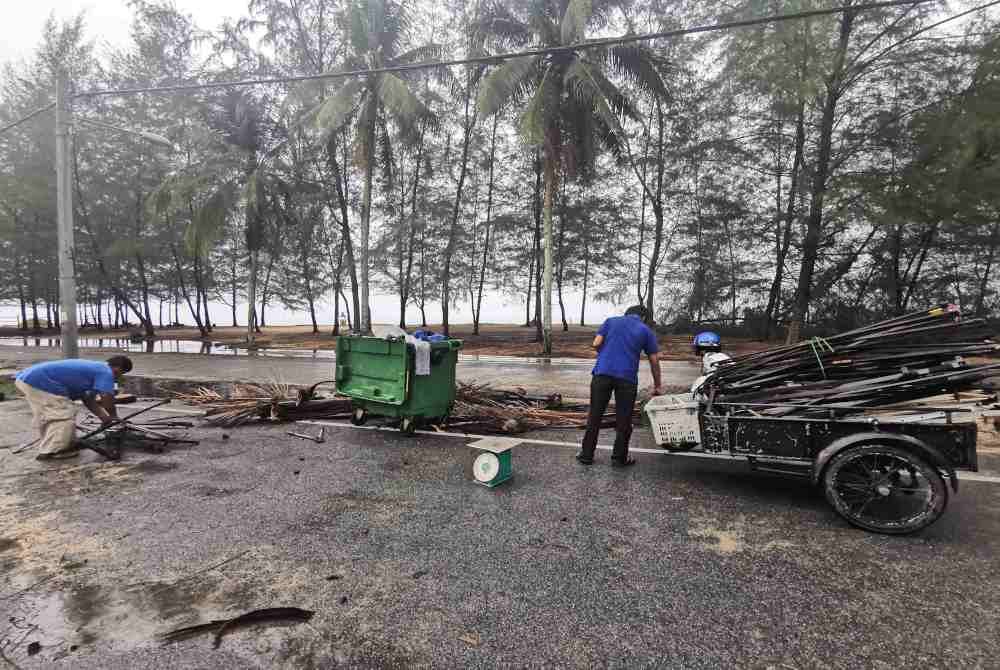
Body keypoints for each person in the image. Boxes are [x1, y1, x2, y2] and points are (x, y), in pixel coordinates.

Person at [578, 306, 662, 467]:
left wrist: (606, 354)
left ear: (627, 314)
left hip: (602, 374)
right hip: (627, 378)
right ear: (644, 317)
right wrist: (657, 385)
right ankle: (618, 459)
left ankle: (586, 456)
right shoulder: (645, 330)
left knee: (595, 415)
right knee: (624, 419)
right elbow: (654, 360)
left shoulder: (610, 322)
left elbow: (596, 343)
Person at [14, 356, 133, 460]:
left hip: (29, 379)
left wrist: (105, 418)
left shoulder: (94, 371)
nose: (118, 377)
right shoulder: (105, 371)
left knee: (50, 415)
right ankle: (54, 451)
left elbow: (88, 400)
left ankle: (56, 444)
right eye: (121, 373)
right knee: (63, 415)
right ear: (117, 368)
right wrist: (113, 416)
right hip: (40, 381)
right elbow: (107, 396)